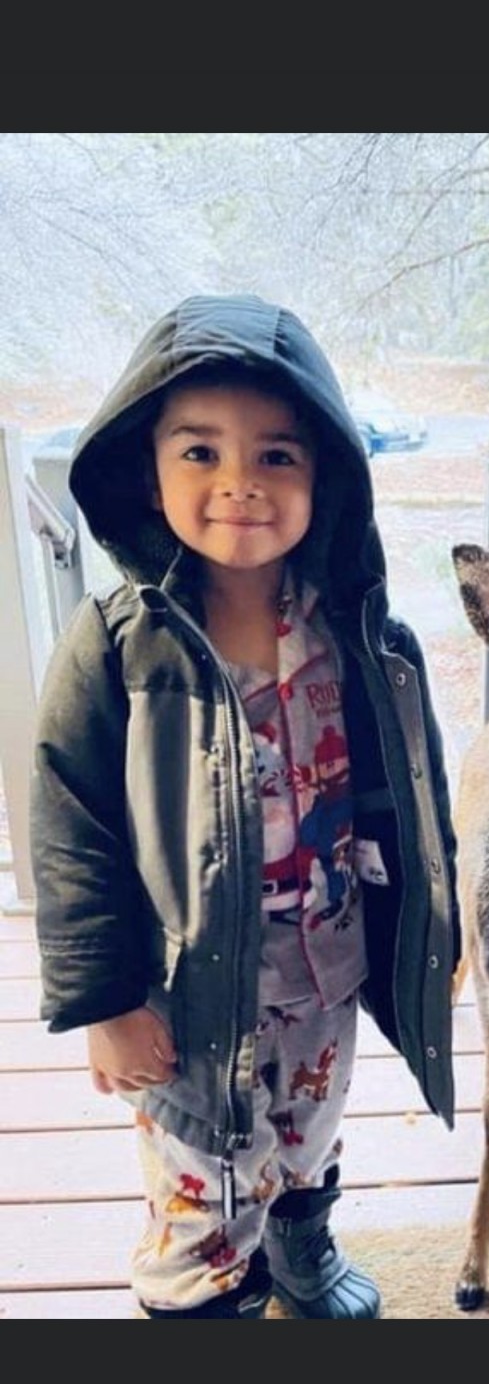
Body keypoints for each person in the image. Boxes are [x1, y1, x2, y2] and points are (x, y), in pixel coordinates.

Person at [29, 293, 459, 1319]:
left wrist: (444, 929)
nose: (238, 485)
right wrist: (105, 1000)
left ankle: (304, 1247)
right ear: (149, 469)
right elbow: (67, 825)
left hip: (327, 965)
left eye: (276, 455)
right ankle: (203, 1300)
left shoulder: (363, 639)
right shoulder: (120, 646)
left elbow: (416, 796)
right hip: (183, 992)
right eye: (200, 453)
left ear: (327, 476)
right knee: (205, 1180)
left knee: (308, 1130)